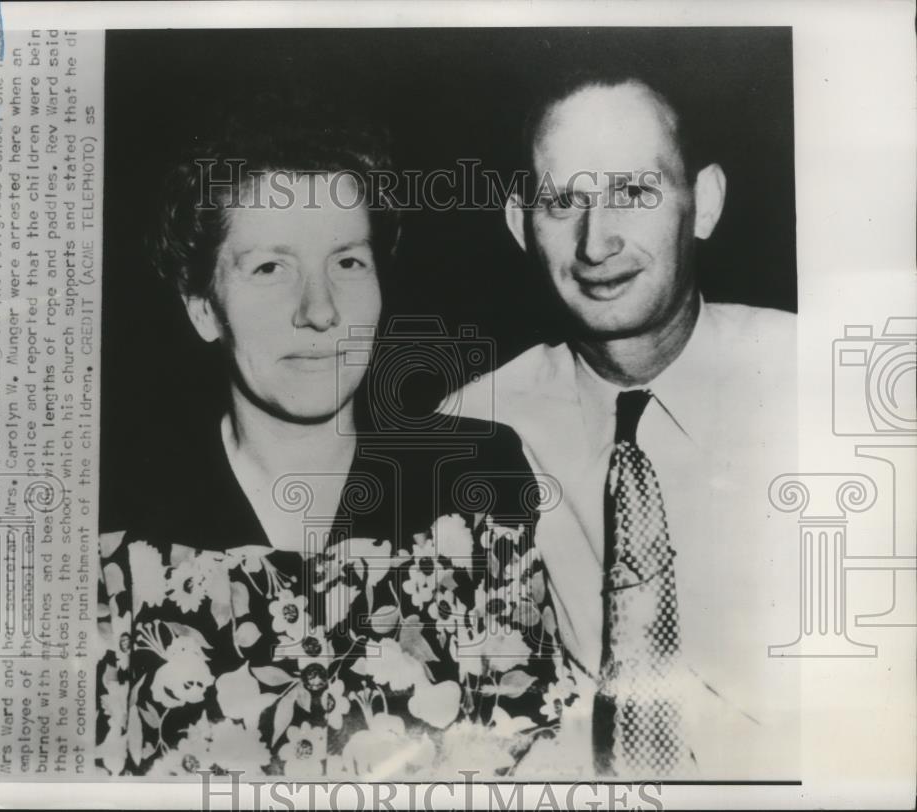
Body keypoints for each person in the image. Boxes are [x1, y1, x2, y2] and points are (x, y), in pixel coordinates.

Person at [95, 102, 577, 778]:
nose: (319, 311)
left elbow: (527, 755)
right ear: (203, 306)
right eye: (270, 268)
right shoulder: (116, 523)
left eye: (348, 262)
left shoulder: (475, 476)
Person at [444, 67, 799, 778]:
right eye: (561, 202)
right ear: (520, 225)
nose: (596, 241)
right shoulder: (467, 432)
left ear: (704, 203)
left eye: (634, 192)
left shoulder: (820, 386)